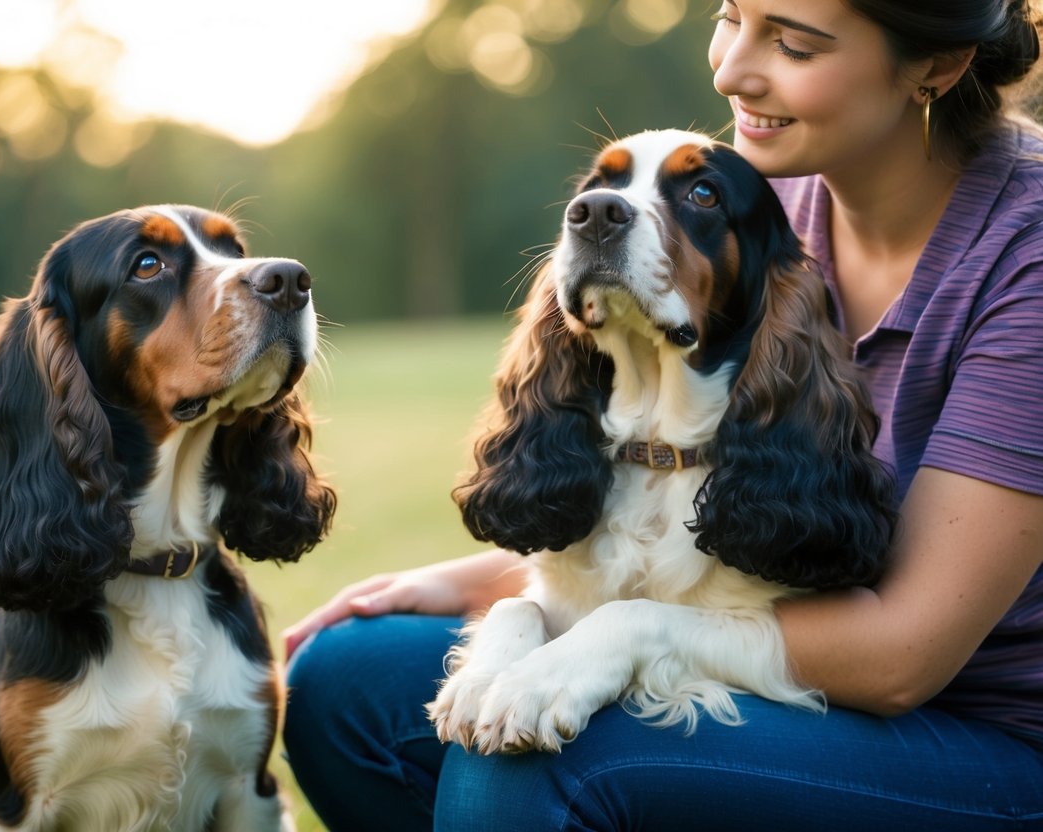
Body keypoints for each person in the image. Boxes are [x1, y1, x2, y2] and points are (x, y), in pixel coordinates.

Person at [282, 0, 1043, 828]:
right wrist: (475, 586)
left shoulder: (1022, 258)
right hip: (771, 639)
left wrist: (630, 637)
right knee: (346, 683)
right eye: (730, 16)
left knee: (542, 759)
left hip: (989, 744)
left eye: (792, 42)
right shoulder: (773, 190)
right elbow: (724, 536)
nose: (730, 70)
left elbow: (903, 655)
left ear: (935, 66)